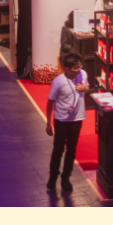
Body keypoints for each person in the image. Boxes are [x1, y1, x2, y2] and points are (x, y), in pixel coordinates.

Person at [45, 52, 89, 192]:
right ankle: (53, 177)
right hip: (61, 120)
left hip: (77, 119)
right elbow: (50, 102)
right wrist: (48, 123)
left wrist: (86, 89)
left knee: (71, 149)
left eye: (80, 66)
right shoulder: (58, 82)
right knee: (58, 149)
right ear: (67, 68)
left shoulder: (83, 74)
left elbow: (86, 87)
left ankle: (66, 178)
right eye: (76, 68)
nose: (79, 69)